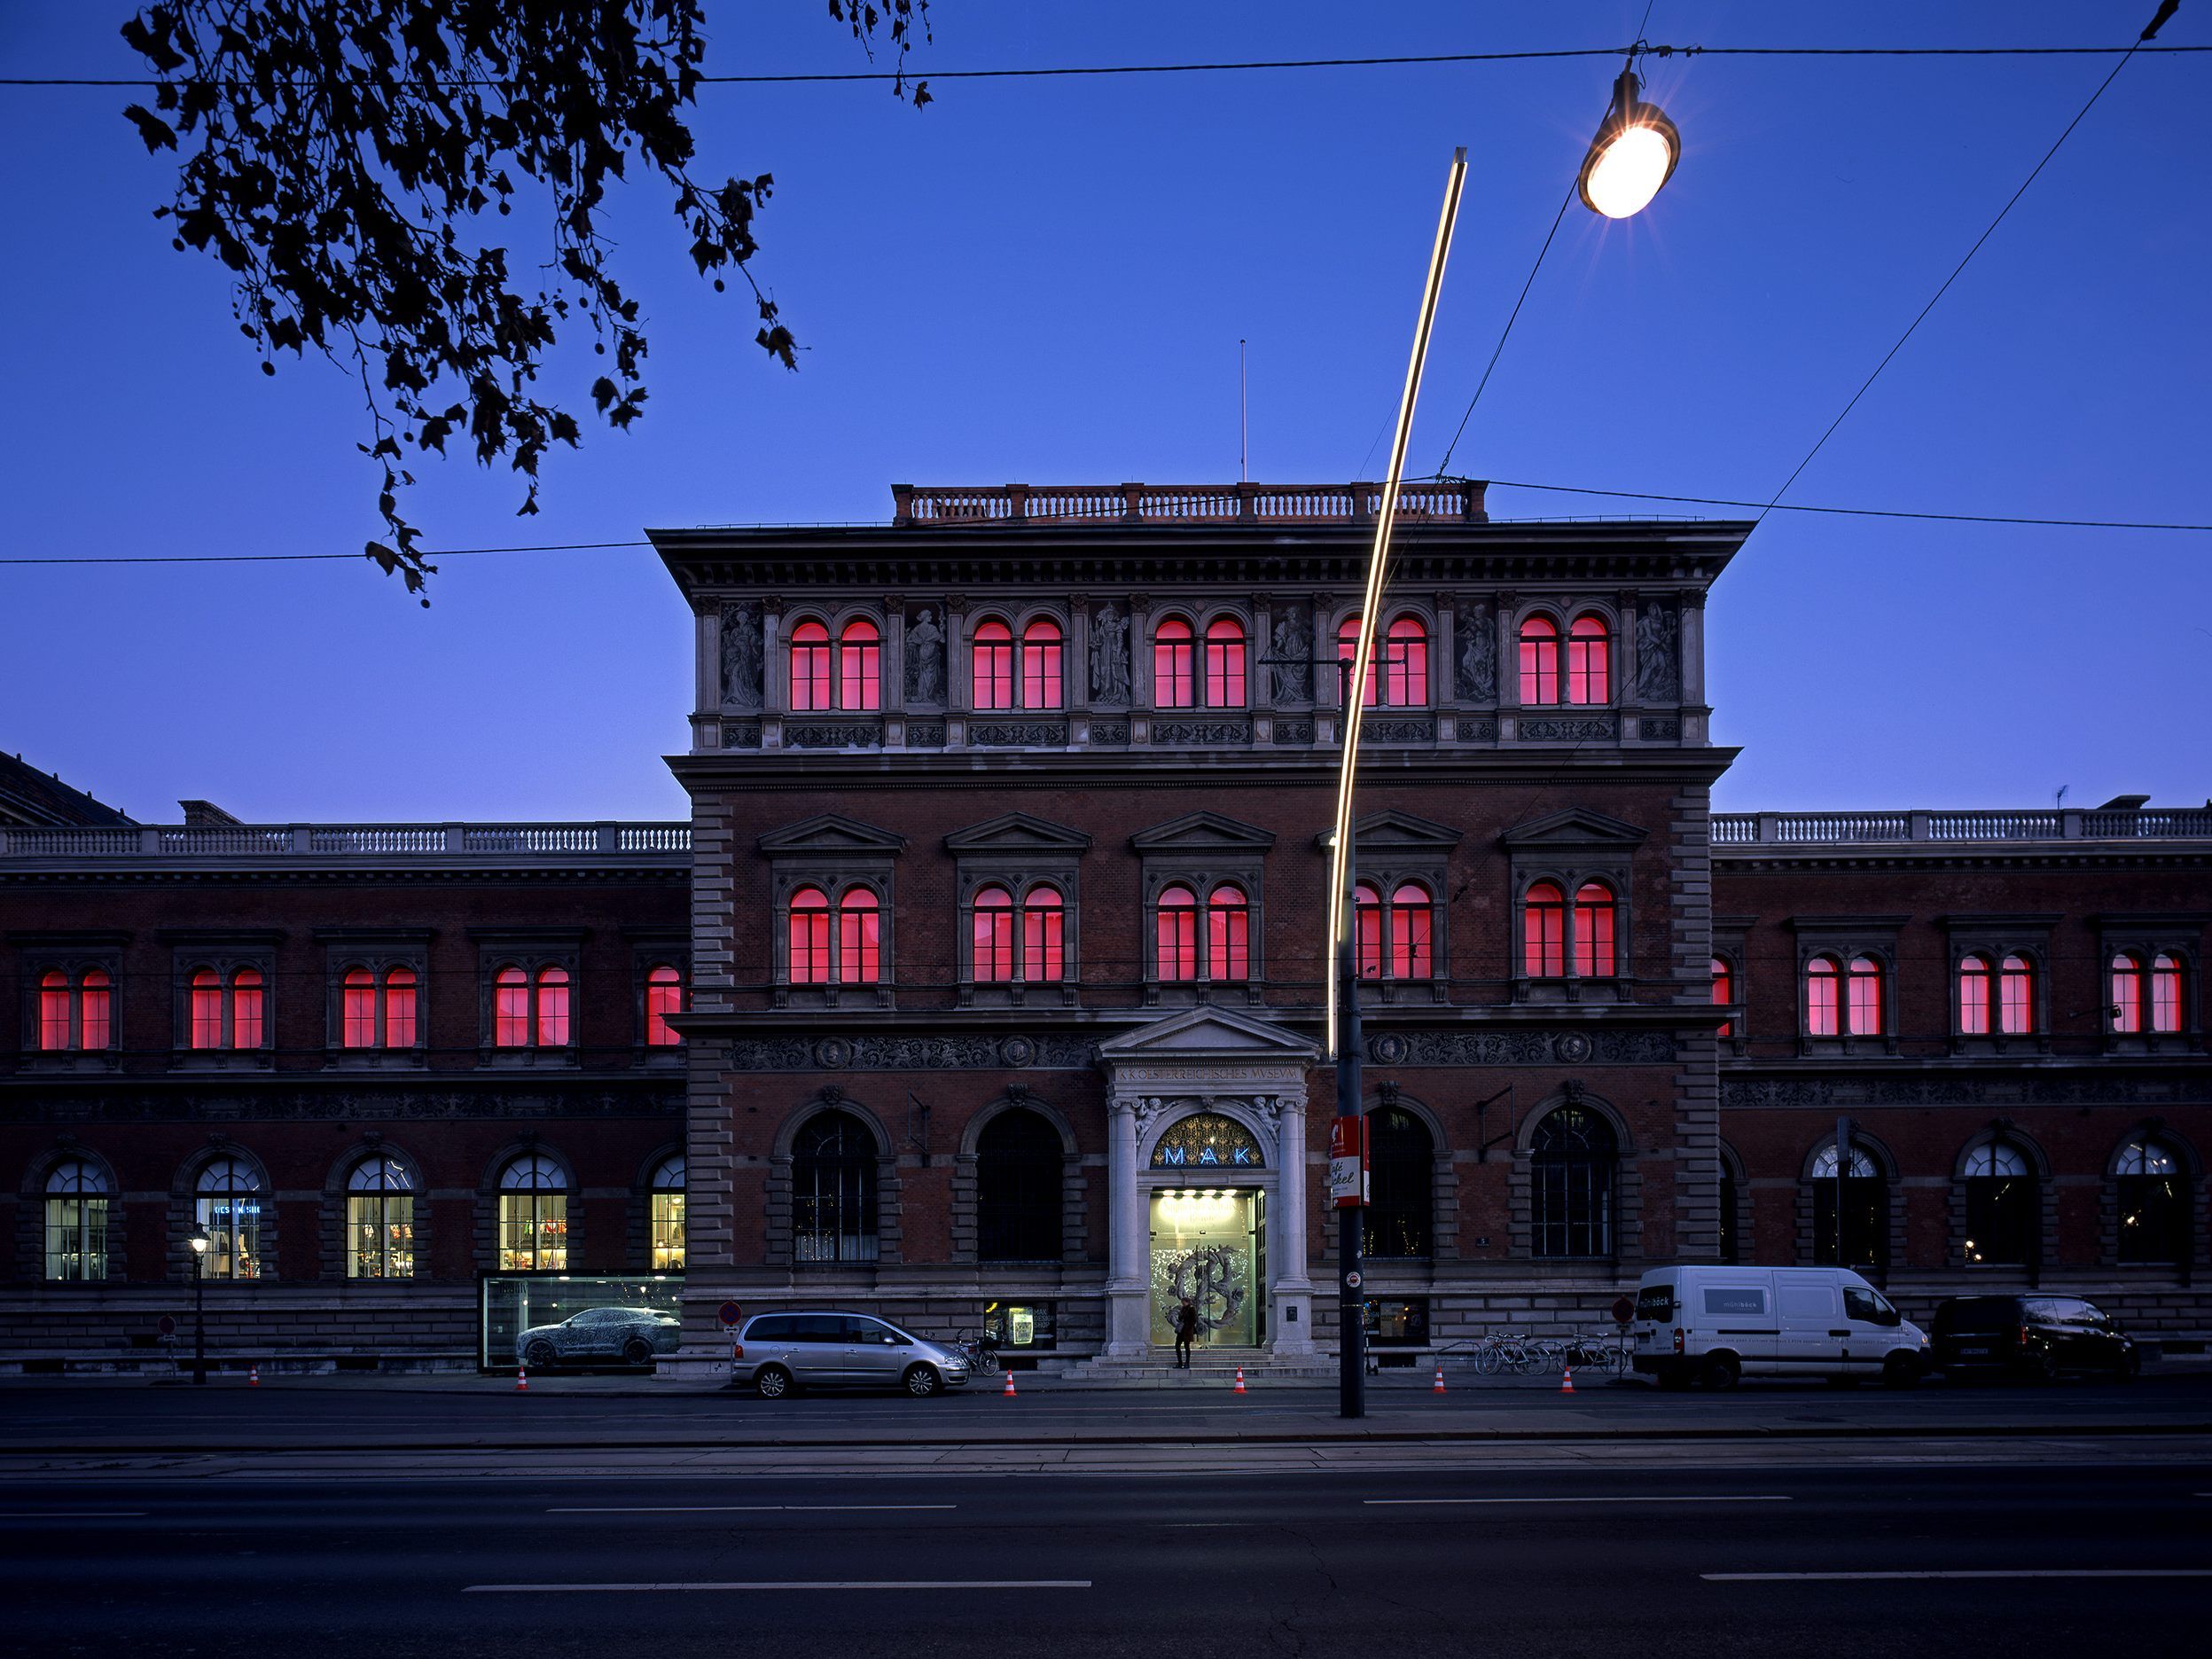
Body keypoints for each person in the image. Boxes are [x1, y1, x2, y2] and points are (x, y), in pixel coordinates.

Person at [1173, 1295, 1200, 1369]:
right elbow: (1180, 1318)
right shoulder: (1183, 1309)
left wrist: (1187, 1325)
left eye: (1183, 1302)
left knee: (1186, 1346)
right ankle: (1180, 1362)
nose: (1182, 1303)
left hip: (1187, 1331)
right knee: (1177, 1346)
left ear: (1187, 1302)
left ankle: (1187, 1363)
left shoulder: (1191, 1309)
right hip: (1181, 1331)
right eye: (1182, 1302)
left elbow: (1194, 1320)